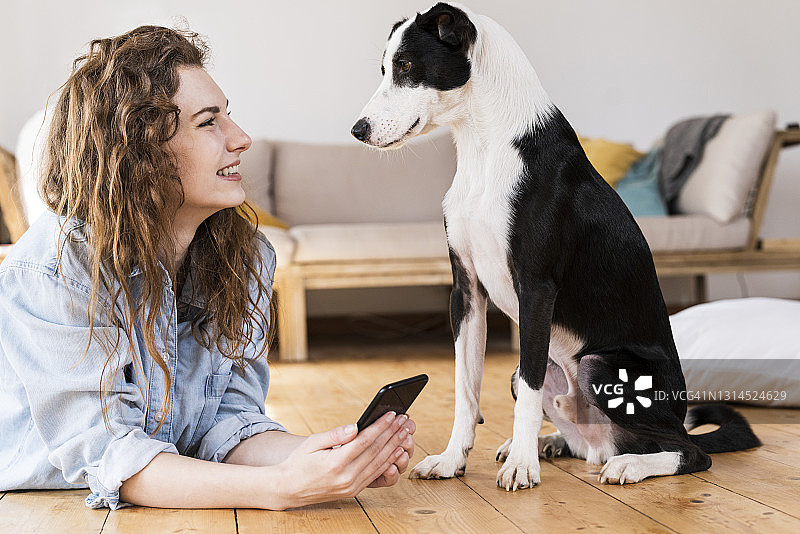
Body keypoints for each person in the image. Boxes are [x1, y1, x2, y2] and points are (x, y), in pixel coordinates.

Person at [0, 25, 415, 511]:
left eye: (229, 116)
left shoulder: (247, 257)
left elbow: (228, 423)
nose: (241, 138)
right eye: (208, 122)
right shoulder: (54, 268)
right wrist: (281, 487)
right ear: (140, 153)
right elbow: (113, 458)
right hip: (42, 507)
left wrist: (323, 457)